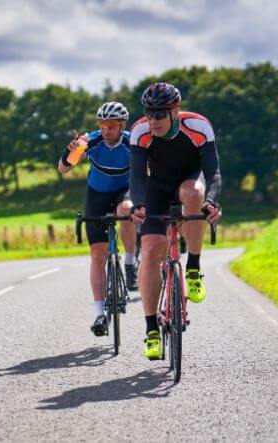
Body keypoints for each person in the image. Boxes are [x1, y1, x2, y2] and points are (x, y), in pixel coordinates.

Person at [128, 83, 222, 359]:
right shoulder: (140, 131)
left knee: (192, 193)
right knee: (151, 252)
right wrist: (139, 204)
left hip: (189, 181)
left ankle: (192, 266)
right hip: (154, 187)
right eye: (148, 113)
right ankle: (151, 331)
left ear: (175, 111)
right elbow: (135, 176)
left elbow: (213, 173)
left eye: (159, 114)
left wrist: (212, 201)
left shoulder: (198, 127)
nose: (153, 120)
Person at [58, 101, 139, 337]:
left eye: (111, 125)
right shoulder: (89, 141)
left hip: (125, 189)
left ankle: (130, 262)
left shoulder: (131, 141)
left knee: (125, 209)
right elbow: (63, 169)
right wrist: (70, 150)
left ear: (122, 124)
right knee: (97, 254)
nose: (106, 130)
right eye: (102, 125)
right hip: (97, 194)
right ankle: (99, 313)